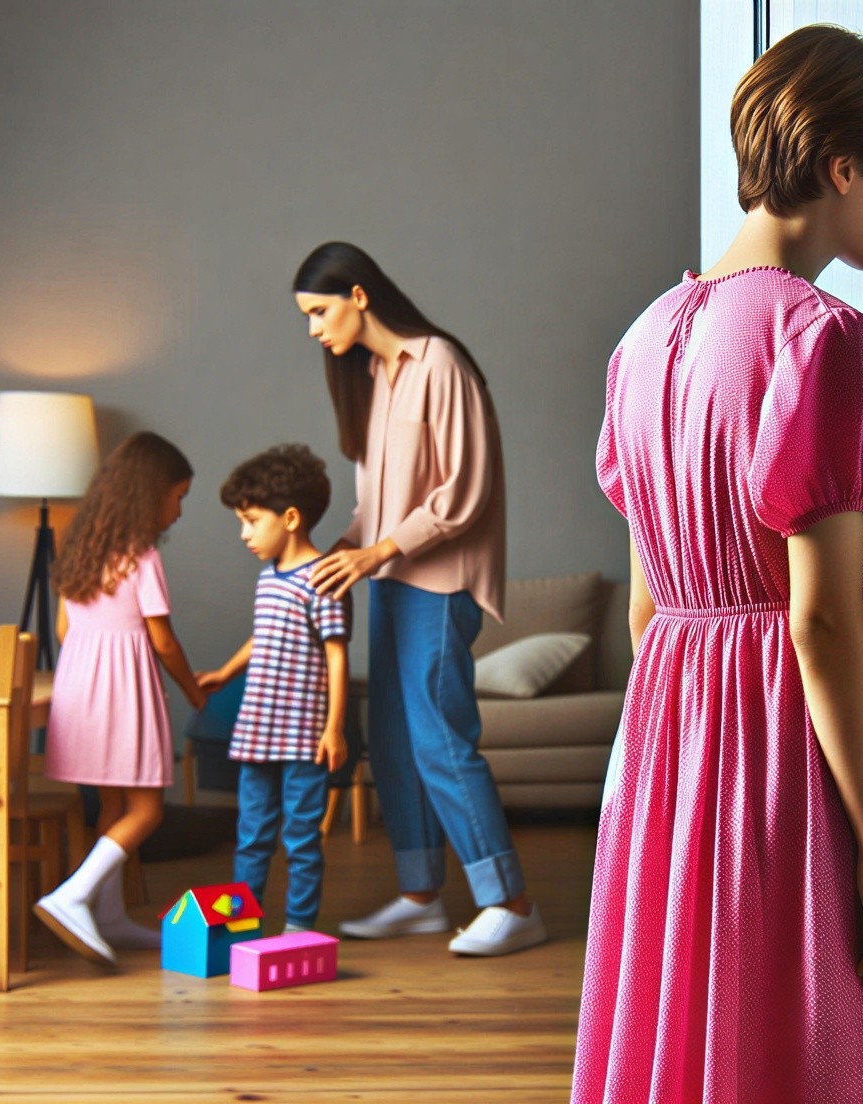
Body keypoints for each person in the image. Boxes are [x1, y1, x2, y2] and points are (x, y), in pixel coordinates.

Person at [573, 24, 863, 1103]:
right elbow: (822, 620)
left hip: (675, 722)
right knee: (807, 1019)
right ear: (841, 165)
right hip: (783, 725)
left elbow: (649, 604)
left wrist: (674, 748)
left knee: (695, 1006)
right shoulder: (824, 339)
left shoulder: (642, 341)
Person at [294, 241, 546, 956]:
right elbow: (377, 502)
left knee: (440, 738)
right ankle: (420, 895)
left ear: (359, 296)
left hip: (438, 583)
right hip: (391, 580)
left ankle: (512, 903)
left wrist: (377, 550)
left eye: (319, 311)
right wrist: (345, 547)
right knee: (395, 744)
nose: (315, 328)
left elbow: (462, 493)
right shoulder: (373, 376)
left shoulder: (439, 363)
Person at [34, 431, 209, 965]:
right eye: (177, 496)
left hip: (80, 690)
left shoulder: (81, 546)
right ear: (150, 493)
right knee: (148, 809)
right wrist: (190, 687)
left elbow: (65, 629)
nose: (179, 510)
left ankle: (107, 917)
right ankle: (74, 895)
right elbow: (163, 640)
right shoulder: (144, 557)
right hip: (123, 694)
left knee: (112, 804)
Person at [197, 443, 350, 935]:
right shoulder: (268, 579)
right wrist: (226, 671)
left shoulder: (322, 580)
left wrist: (334, 730)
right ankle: (241, 925)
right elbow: (263, 635)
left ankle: (299, 930)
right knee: (251, 836)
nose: (244, 534)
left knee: (302, 838)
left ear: (289, 518)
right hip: (257, 733)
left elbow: (337, 655)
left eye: (251, 521)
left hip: (304, 738)